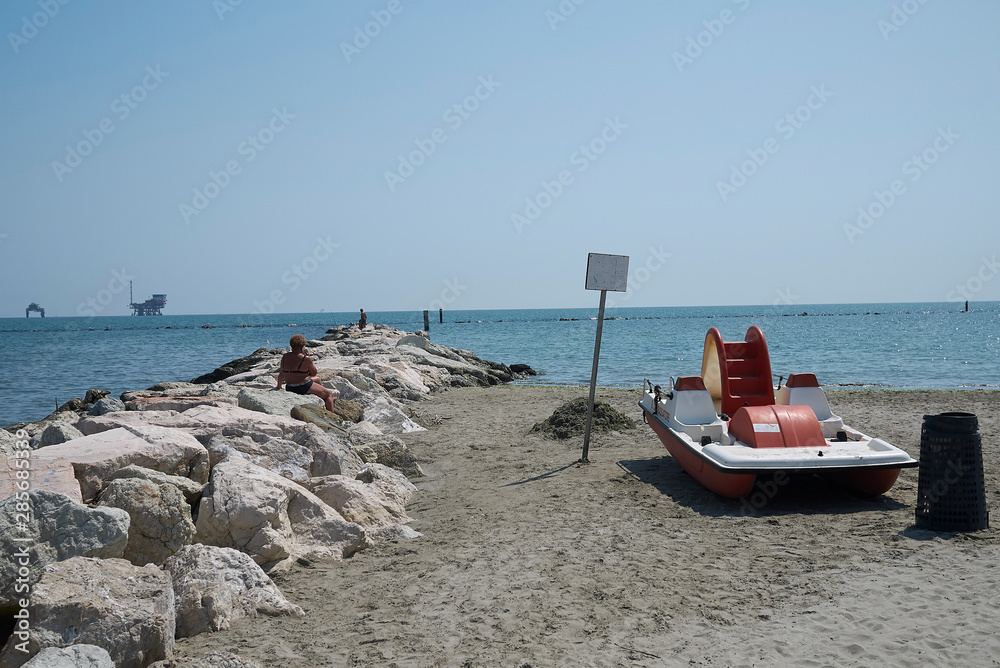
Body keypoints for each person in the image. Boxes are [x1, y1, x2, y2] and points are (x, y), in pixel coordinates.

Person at [275, 334, 336, 412]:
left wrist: (279, 386)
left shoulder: (285, 357)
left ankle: (322, 398)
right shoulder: (305, 358)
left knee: (317, 379)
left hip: (290, 387)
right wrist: (308, 357)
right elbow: (313, 373)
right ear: (302, 347)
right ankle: (332, 415)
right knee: (328, 394)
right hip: (303, 387)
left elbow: (281, 374)